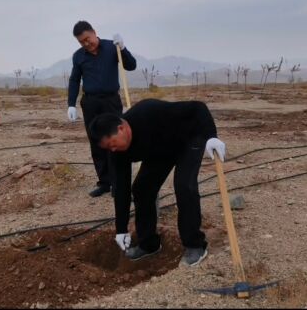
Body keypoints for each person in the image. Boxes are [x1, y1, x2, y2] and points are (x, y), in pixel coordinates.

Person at [88, 99, 226, 267]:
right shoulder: (116, 152)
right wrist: (121, 229)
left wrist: (211, 136)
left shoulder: (149, 112)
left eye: (112, 144)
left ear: (121, 129)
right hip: (160, 151)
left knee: (184, 185)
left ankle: (195, 245)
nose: (113, 150)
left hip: (188, 138)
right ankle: (149, 244)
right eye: (108, 148)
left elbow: (198, 107)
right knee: (141, 189)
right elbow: (121, 189)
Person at [67, 20, 137, 197]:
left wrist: (123, 48)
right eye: (81, 41)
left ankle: (118, 182)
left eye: (87, 39)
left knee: (115, 141)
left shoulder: (111, 47)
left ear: (94, 32)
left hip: (110, 101)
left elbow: (131, 65)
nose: (86, 43)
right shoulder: (78, 56)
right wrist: (71, 104)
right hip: (90, 103)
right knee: (97, 142)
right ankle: (105, 182)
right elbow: (74, 80)